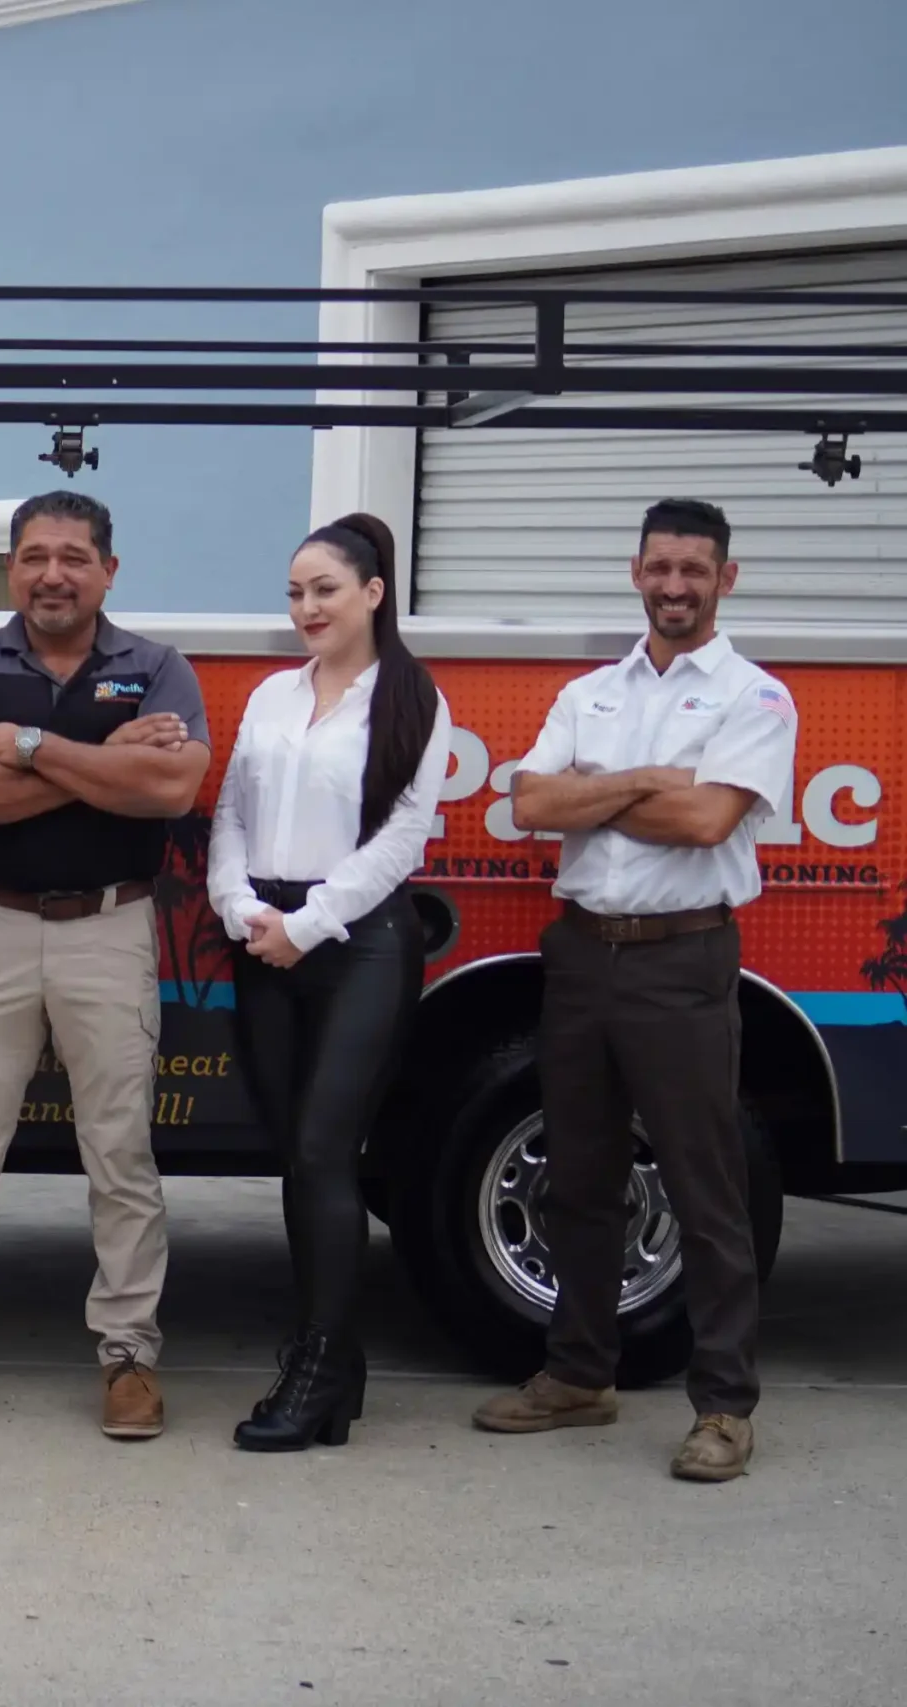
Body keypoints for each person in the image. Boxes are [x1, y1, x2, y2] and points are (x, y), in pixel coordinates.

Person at [475, 498, 795, 1483]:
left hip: (680, 960)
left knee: (704, 1186)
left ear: (725, 579)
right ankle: (579, 1373)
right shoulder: (590, 692)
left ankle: (724, 1406)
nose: (674, 586)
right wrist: (648, 778)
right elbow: (530, 801)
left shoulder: (754, 696)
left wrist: (597, 790)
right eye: (659, 567)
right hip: (580, 955)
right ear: (635, 572)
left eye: (693, 569)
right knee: (579, 1176)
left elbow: (705, 822)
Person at [0, 490, 209, 1441]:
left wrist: (31, 750)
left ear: (109, 570)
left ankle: (129, 1355)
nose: (52, 575)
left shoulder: (156, 667)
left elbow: (171, 785)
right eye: (34, 556)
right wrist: (102, 762)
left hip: (110, 929)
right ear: (11, 568)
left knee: (121, 1154)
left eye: (73, 557)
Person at [207, 513, 450, 1451]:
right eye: (296, 593)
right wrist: (240, 908)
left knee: (323, 1149)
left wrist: (306, 927)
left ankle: (312, 1368)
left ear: (372, 593)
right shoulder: (274, 694)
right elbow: (231, 811)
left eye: (326, 590)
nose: (307, 608)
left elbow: (401, 840)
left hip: (358, 942)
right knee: (296, 1157)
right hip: (262, 937)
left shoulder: (414, 701)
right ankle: (336, 1371)